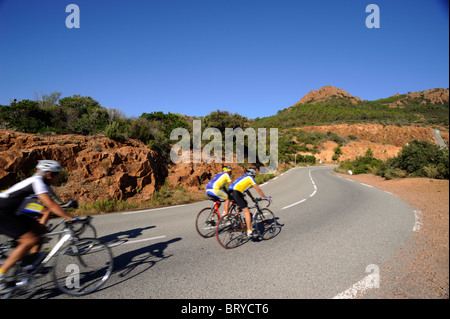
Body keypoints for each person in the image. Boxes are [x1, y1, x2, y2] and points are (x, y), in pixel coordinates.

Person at [0, 160, 74, 294]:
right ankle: (0, 277)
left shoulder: (43, 182)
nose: (58, 177)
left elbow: (54, 201)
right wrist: (70, 218)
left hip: (14, 212)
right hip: (3, 213)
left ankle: (29, 266)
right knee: (30, 240)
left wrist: (65, 207)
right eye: (57, 174)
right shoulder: (37, 182)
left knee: (40, 232)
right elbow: (51, 205)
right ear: (50, 173)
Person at [228, 168, 271, 237]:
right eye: (254, 176)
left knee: (244, 203)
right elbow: (258, 190)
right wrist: (266, 197)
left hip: (230, 192)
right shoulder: (250, 178)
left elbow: (247, 190)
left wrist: (252, 198)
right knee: (247, 211)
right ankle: (249, 231)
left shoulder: (243, 178)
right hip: (236, 192)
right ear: (252, 175)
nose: (254, 177)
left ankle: (240, 222)